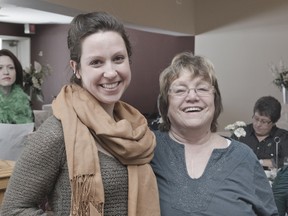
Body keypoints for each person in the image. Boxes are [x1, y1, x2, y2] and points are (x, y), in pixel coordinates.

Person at [1, 11, 160, 216]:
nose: (111, 72)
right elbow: (12, 210)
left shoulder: (136, 129)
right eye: (96, 62)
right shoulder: (57, 133)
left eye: (118, 58)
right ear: (76, 68)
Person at [150, 52, 278, 216]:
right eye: (180, 90)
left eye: (202, 88)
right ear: (165, 104)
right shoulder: (147, 148)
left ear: (215, 100)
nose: (192, 96)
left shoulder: (244, 157)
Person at [231, 96, 288, 169]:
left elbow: (286, 162)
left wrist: (260, 162)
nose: (258, 124)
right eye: (256, 118)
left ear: (274, 122)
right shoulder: (241, 133)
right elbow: (227, 156)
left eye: (264, 121)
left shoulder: (283, 137)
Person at [0, 49, 33, 124]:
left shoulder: (26, 101)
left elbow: (32, 129)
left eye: (11, 68)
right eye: (0, 68)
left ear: (17, 71)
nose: (6, 72)